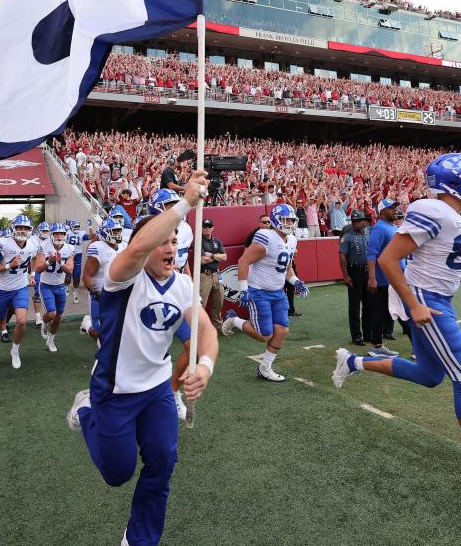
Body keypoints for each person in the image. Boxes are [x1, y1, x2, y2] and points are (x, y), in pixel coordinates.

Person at [332, 153, 461, 505]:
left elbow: (446, 260)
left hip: (440, 297)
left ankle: (353, 363)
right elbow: (388, 259)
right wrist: (413, 305)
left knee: (430, 375)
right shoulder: (431, 209)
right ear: (453, 181)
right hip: (426, 301)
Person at [66, 171, 218, 546]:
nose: (170, 248)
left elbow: (207, 332)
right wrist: (185, 203)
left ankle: (138, 540)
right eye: (162, 241)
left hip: (156, 391)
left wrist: (204, 366)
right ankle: (86, 410)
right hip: (115, 390)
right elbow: (135, 250)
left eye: (174, 242)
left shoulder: (182, 284)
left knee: (163, 463)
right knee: (117, 474)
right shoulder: (123, 275)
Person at [222, 204, 309, 382]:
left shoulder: (292, 240)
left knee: (282, 330)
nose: (290, 223)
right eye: (286, 220)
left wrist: (296, 281)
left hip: (278, 292)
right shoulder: (265, 236)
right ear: (276, 220)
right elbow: (243, 261)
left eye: (292, 220)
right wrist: (244, 289)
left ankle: (265, 368)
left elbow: (287, 267)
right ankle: (234, 320)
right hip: (259, 290)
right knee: (264, 335)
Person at [0, 215, 39, 369]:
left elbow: (34, 257)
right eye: (20, 227)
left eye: (26, 228)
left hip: (21, 288)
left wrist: (32, 274)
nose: (22, 231)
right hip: (3, 289)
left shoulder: (33, 244)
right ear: (13, 228)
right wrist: (9, 265)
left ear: (30, 230)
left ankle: (15, 350)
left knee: (22, 321)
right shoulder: (4, 244)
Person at [366, 199, 403, 355]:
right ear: (381, 212)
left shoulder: (392, 227)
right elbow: (371, 254)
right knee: (389, 312)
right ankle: (376, 346)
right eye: (391, 208)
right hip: (384, 280)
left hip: (395, 277)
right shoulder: (379, 229)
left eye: (395, 207)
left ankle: (377, 345)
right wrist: (372, 277)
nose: (395, 210)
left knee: (386, 312)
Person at [80, 218, 125, 339]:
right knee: (99, 334)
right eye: (114, 232)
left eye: (118, 231)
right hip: (101, 294)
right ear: (105, 232)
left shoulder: (124, 247)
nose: (117, 234)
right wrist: (94, 292)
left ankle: (106, 357)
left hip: (120, 294)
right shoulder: (98, 247)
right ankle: (87, 323)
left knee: (120, 331)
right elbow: (86, 275)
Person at [33, 222, 74, 353]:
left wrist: (60, 261)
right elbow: (38, 268)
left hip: (60, 285)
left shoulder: (69, 248)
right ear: (52, 234)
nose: (59, 236)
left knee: (58, 316)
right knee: (51, 313)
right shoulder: (43, 246)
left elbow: (70, 270)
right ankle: (44, 322)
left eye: (61, 233)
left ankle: (51, 340)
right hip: (46, 285)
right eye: (56, 233)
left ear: (65, 235)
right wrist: (48, 261)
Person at [339, 210, 373, 347]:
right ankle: (356, 336)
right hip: (355, 273)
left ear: (365, 221)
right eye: (353, 221)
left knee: (369, 305)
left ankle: (367, 334)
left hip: (368, 271)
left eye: (358, 220)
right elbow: (342, 256)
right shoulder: (347, 237)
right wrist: (345, 275)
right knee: (354, 306)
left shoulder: (370, 233)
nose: (355, 223)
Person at [198, 218, 227, 332]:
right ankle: (198, 329)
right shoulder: (199, 240)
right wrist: (216, 256)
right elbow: (202, 260)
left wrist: (211, 255)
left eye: (209, 226)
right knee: (201, 303)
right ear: (202, 228)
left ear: (213, 227)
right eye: (205, 226)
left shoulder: (217, 241)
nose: (207, 228)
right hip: (204, 275)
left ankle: (218, 328)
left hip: (217, 274)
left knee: (219, 301)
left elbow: (225, 257)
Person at [66, 219, 90, 304]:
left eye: (78, 227)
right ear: (71, 227)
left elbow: (90, 237)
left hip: (78, 256)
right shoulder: (67, 233)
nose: (76, 228)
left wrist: (90, 227)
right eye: (75, 227)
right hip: (68, 255)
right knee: (68, 276)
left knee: (76, 275)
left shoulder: (82, 233)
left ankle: (75, 292)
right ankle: (68, 287)